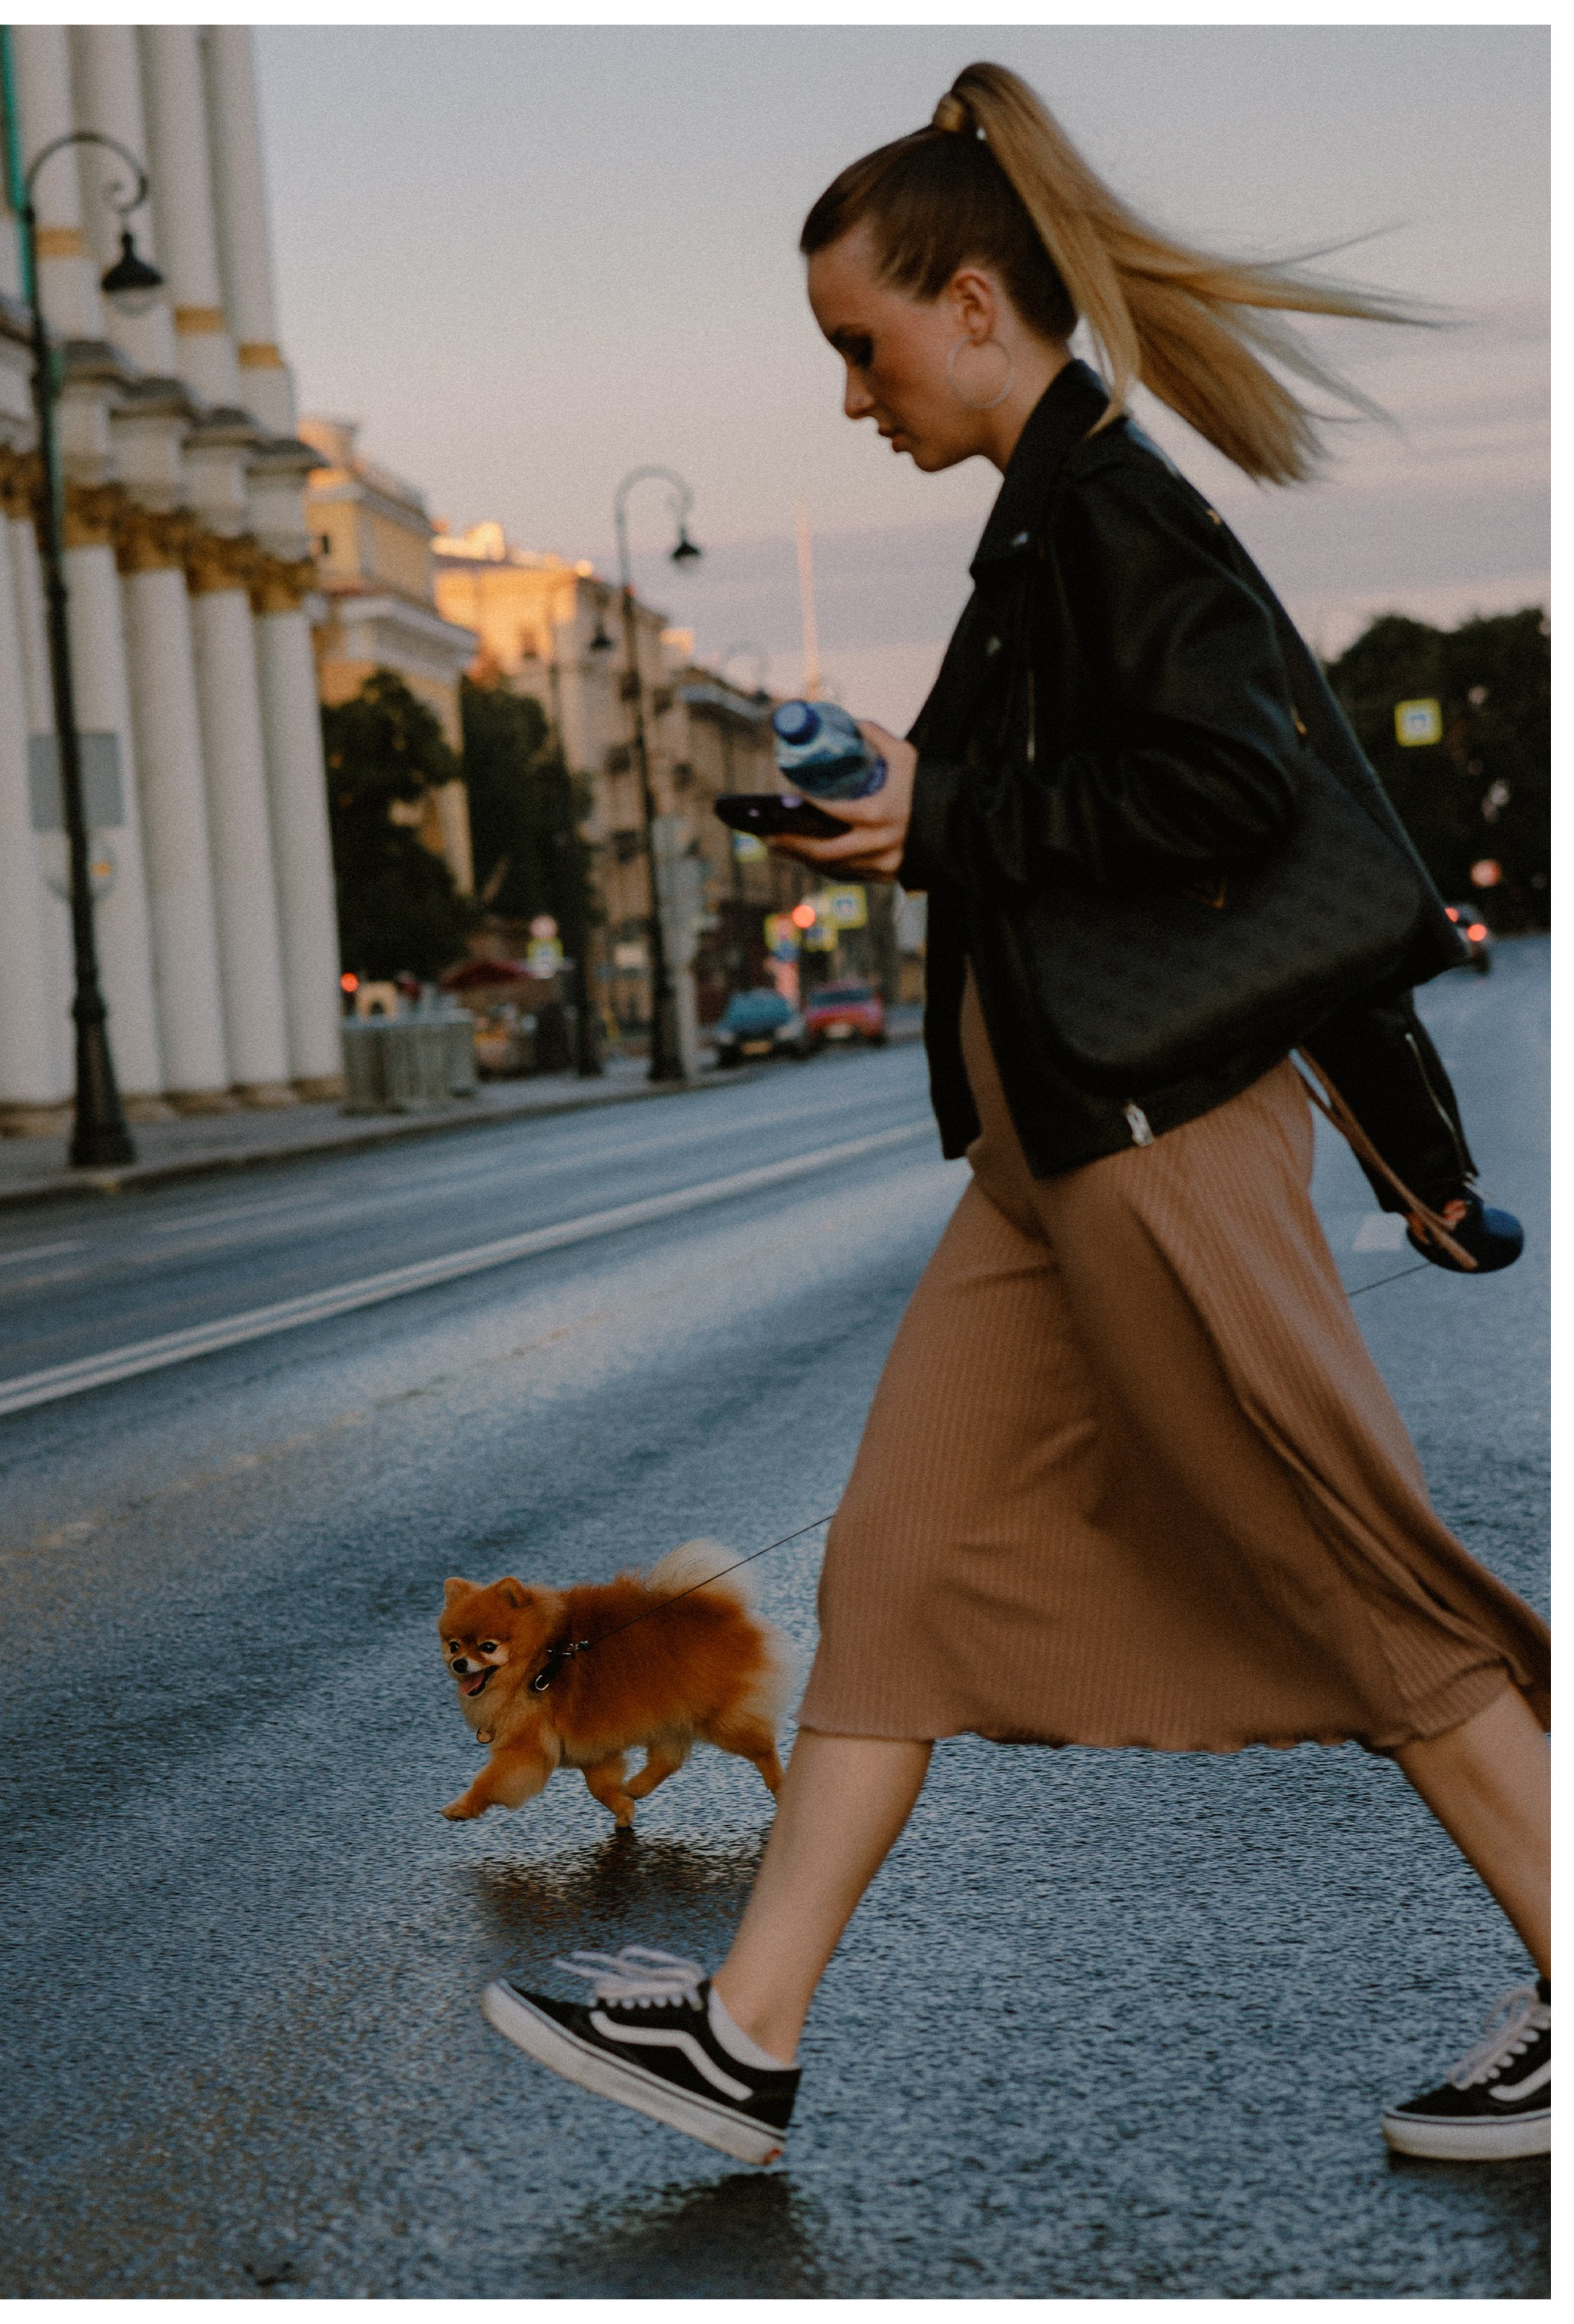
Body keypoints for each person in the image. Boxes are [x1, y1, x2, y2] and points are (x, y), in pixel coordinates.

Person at [480, 62, 1549, 2169]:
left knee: (1336, 1569)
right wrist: (905, 806)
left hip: (1151, 1140)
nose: (852, 392)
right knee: (892, 1567)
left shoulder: (1112, 513)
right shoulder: (1045, 528)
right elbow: (1138, 817)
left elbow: (1243, 805)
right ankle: (747, 2033)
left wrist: (945, 807)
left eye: (859, 344)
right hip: (1047, 1155)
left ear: (971, 302)